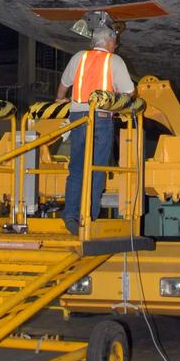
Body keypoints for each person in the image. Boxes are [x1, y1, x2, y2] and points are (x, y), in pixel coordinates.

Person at [56, 18, 134, 234]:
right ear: (109, 43)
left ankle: (71, 216)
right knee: (97, 168)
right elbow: (129, 93)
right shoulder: (114, 61)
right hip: (101, 118)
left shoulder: (79, 57)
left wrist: (59, 100)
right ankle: (89, 216)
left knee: (77, 168)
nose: (115, 46)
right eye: (115, 43)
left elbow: (64, 84)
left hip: (78, 117)